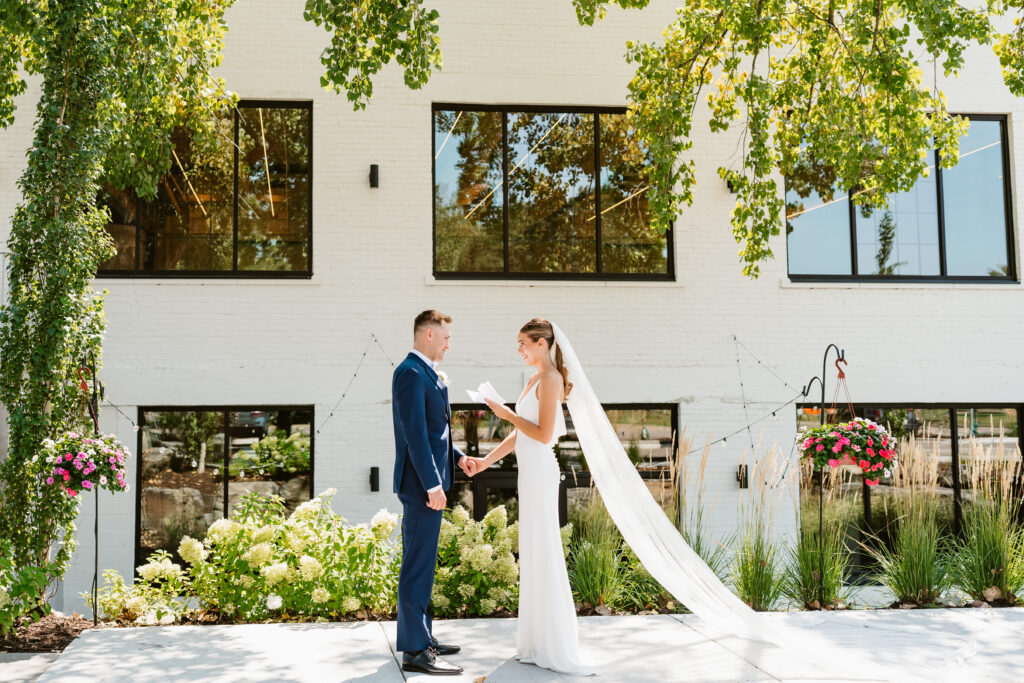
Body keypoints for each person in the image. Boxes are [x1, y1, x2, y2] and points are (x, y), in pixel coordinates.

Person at [466, 318, 596, 676]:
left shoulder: (552, 380)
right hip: (529, 473)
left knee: (544, 550)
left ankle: (555, 645)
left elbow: (541, 435)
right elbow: (517, 435)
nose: (519, 349)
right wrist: (485, 462)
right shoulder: (533, 379)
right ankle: (536, 642)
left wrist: (505, 413)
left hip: (541, 473)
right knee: (533, 552)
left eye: (523, 343)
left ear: (542, 343)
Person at [391, 309, 472, 676]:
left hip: (432, 480)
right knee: (417, 566)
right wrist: (433, 485)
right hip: (421, 486)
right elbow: (413, 434)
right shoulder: (409, 373)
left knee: (423, 565)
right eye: (445, 337)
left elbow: (434, 431)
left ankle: (423, 637)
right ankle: (414, 651)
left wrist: (458, 458)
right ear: (427, 334)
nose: (448, 343)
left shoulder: (426, 372)